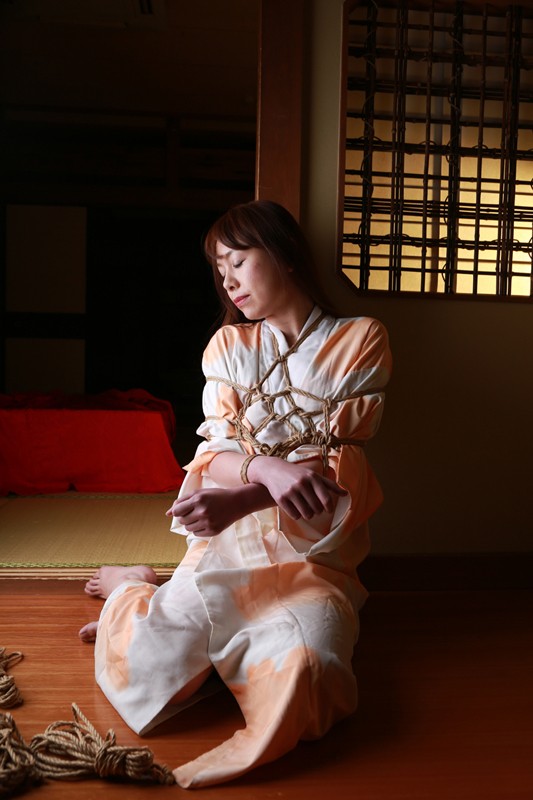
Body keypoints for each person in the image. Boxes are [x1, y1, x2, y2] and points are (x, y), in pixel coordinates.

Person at [80, 200, 392, 788]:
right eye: (219, 268)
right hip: (227, 545)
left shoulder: (360, 339)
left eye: (238, 261)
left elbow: (335, 467)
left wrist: (247, 494)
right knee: (146, 667)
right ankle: (131, 586)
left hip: (311, 552)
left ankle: (227, 653)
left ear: (283, 253)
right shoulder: (228, 346)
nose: (227, 280)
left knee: (311, 679)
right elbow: (212, 455)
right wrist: (265, 470)